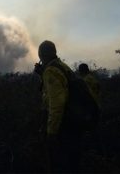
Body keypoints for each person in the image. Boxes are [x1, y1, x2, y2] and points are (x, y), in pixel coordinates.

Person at [34, 40, 83, 173]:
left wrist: (51, 132)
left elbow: (56, 105)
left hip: (63, 124)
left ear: (41, 55)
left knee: (57, 162)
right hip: (73, 119)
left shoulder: (51, 71)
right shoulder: (62, 66)